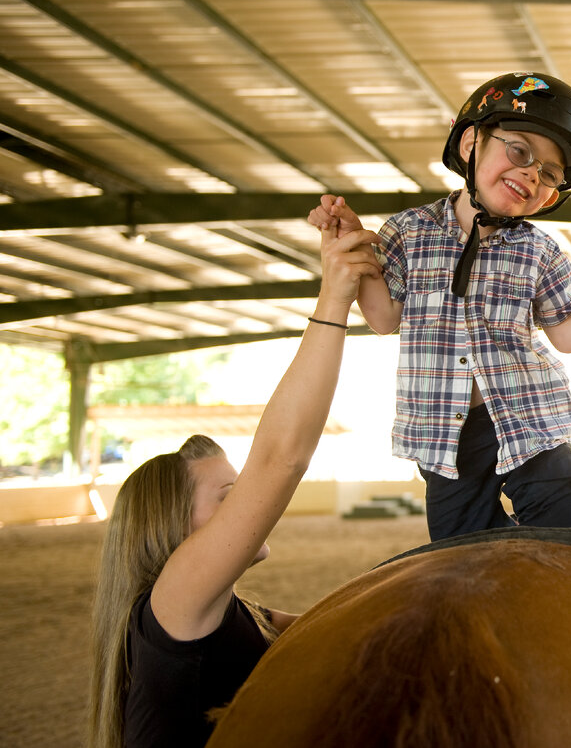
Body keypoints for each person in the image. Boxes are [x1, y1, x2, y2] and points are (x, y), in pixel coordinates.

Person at [307, 72, 571, 540]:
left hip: (528, 419)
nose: (533, 174)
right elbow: (384, 318)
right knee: (459, 555)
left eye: (549, 174)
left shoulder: (540, 251)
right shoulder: (407, 232)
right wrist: (355, 248)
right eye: (520, 152)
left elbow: (568, 332)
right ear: (471, 143)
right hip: (443, 435)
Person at [88, 225, 381, 748]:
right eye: (230, 496)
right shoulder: (173, 601)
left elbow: (344, 626)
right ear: (175, 528)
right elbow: (281, 459)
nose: (250, 502)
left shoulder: (237, 612)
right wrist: (335, 297)